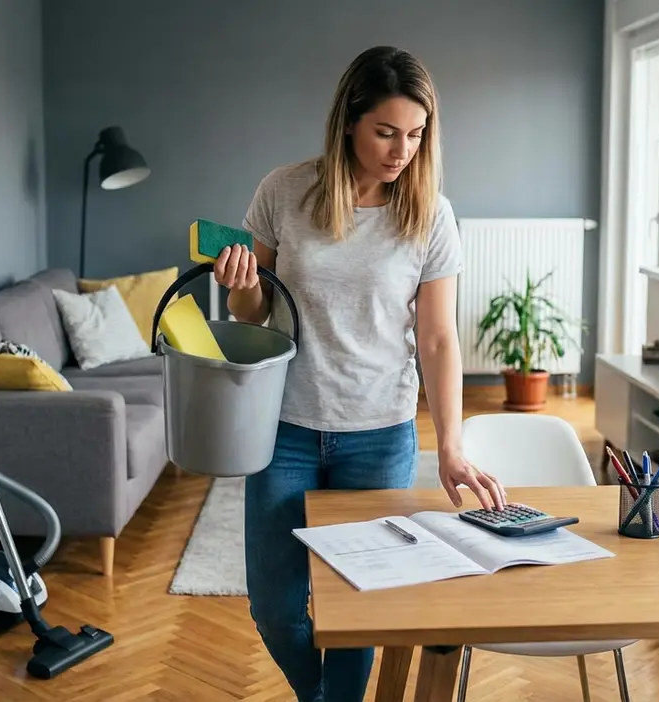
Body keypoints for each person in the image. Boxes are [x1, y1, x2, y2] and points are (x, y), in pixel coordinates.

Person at [214, 45, 508, 702]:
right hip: (282, 427)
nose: (400, 149)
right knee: (275, 609)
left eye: (414, 133)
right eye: (385, 131)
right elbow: (254, 312)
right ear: (349, 120)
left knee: (361, 607)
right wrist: (237, 286)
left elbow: (435, 336)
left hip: (378, 433)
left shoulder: (430, 213)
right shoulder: (283, 192)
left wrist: (451, 448)